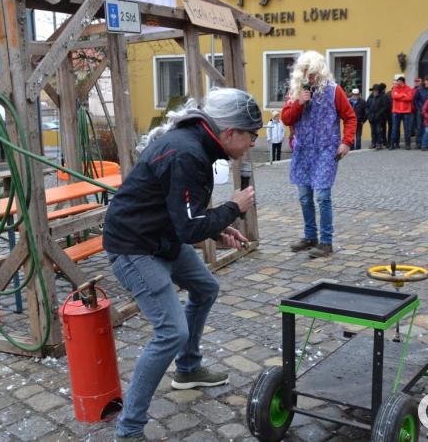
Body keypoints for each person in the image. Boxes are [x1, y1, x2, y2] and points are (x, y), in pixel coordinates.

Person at [102, 87, 259, 442]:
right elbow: (188, 227)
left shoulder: (198, 144)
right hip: (134, 247)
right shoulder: (187, 152)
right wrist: (233, 207)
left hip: (161, 237)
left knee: (206, 287)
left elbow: (181, 215)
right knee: (171, 331)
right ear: (230, 133)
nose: (252, 143)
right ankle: (128, 431)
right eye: (251, 135)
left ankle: (187, 369)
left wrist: (220, 230)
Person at [282, 50, 356, 258]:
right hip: (303, 150)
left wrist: (346, 142)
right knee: (305, 197)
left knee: (322, 197)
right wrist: (299, 102)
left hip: (326, 150)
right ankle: (309, 237)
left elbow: (350, 117)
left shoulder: (334, 91)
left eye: (313, 73)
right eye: (306, 73)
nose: (309, 78)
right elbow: (286, 119)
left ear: (320, 72)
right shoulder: (295, 92)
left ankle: (326, 242)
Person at [390, 76, 415, 150]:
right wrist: (403, 95)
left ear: (402, 82)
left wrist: (399, 96)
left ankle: (408, 145)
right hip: (396, 111)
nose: (397, 82)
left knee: (407, 129)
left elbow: (410, 98)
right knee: (395, 129)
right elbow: (394, 96)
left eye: (399, 81)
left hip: (406, 111)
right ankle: (392, 144)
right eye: (397, 81)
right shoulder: (395, 88)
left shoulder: (408, 88)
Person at [413, 75, 428, 149]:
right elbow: (415, 100)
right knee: (419, 127)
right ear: (424, 81)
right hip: (420, 110)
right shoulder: (419, 89)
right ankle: (418, 143)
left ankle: (426, 143)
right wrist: (419, 108)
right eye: (427, 80)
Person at [366, 84, 390, 150]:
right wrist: (368, 114)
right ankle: (373, 143)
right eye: (374, 90)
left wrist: (378, 114)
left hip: (379, 117)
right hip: (371, 117)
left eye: (376, 90)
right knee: (373, 131)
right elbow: (367, 106)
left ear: (378, 91)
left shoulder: (382, 97)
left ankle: (379, 143)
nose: (375, 92)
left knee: (378, 130)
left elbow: (384, 107)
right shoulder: (370, 97)